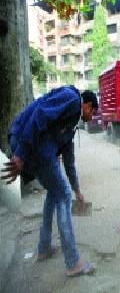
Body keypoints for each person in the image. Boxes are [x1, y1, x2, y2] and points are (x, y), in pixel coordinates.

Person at [1, 85, 98, 276]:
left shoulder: (71, 126)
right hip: (28, 145)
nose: (92, 117)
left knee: (55, 193)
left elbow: (69, 161)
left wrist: (77, 189)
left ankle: (44, 248)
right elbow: (40, 114)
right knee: (62, 195)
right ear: (86, 105)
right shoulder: (71, 98)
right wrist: (20, 153)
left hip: (35, 149)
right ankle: (73, 263)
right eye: (93, 111)